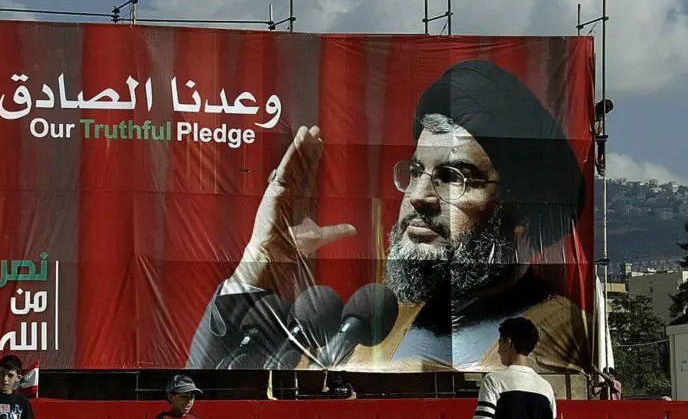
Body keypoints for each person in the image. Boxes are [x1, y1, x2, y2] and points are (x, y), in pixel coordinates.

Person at [186, 59, 591, 373]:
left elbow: (517, 405)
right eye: (415, 172)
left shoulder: (561, 329)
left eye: (453, 178)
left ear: (523, 213)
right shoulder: (377, 318)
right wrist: (260, 258)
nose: (418, 196)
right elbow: (202, 395)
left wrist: (417, 381)